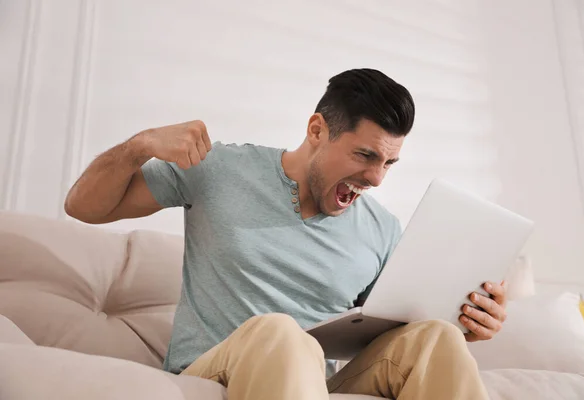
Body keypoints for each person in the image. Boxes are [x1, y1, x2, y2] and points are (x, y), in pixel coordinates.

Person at [65, 68, 507, 400]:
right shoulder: (217, 170)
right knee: (283, 332)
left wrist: (466, 320)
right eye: (364, 155)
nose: (376, 178)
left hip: (317, 384)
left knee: (437, 339)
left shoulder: (381, 229)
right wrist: (139, 145)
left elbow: (390, 331)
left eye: (389, 163)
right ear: (317, 130)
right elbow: (83, 207)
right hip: (214, 369)